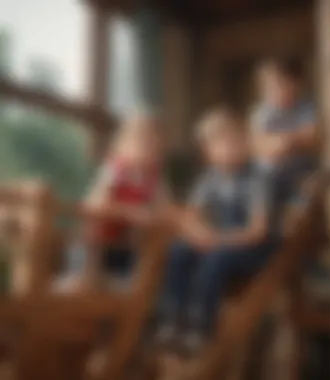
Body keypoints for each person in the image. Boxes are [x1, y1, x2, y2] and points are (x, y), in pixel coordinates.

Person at [155, 108, 280, 356]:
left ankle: (201, 327)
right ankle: (174, 318)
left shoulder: (258, 177)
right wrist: (197, 234)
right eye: (219, 143)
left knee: (216, 259)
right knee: (179, 250)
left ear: (246, 143)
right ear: (208, 153)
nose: (229, 148)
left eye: (235, 140)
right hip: (222, 241)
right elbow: (189, 216)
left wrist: (216, 240)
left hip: (254, 248)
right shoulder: (210, 178)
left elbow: (258, 231)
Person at [56, 112, 172, 291]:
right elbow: (95, 204)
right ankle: (77, 283)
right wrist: (129, 212)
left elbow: (164, 207)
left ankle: (125, 295)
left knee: (141, 269)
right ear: (121, 146)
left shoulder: (154, 180)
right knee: (83, 275)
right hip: (96, 243)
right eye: (140, 143)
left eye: (154, 146)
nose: (147, 152)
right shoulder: (114, 171)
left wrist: (156, 216)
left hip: (126, 245)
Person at [250, 57, 319, 214]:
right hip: (270, 172)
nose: (276, 91)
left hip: (301, 168)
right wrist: (288, 141)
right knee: (261, 187)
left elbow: (311, 135)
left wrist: (285, 141)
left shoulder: (305, 108)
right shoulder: (262, 113)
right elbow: (259, 144)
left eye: (282, 84)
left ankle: (297, 218)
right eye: (270, 87)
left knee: (307, 192)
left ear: (296, 85)